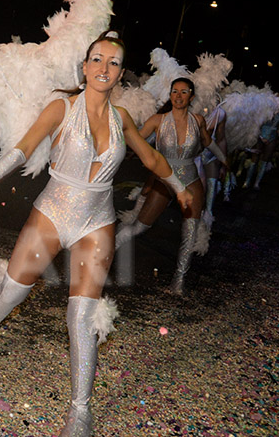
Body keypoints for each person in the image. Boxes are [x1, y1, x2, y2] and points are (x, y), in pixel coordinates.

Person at [0, 33, 193, 437]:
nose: (104, 68)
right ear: (84, 66)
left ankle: (81, 409)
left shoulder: (121, 119)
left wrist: (180, 186)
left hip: (97, 220)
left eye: (113, 63)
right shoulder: (62, 107)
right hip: (53, 211)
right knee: (12, 289)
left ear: (119, 73)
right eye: (97, 59)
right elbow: (24, 147)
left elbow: (151, 159)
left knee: (81, 315)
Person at [114, 78, 227, 294]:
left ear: (191, 96)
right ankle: (105, 253)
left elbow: (207, 142)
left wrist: (223, 158)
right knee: (140, 226)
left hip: (191, 181)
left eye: (184, 92)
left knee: (189, 233)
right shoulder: (158, 120)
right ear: (170, 95)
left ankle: (178, 282)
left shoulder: (198, 120)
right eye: (175, 91)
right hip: (164, 180)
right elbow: (133, 138)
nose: (178, 96)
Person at [201, 102, 228, 218]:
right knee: (200, 191)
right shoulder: (190, 109)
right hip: (193, 157)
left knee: (212, 184)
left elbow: (221, 139)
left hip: (210, 155)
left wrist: (223, 164)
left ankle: (207, 220)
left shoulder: (220, 113)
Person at [242, 109, 279, 190]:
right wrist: (261, 137)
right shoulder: (266, 108)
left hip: (272, 138)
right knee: (254, 158)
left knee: (265, 160)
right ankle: (247, 181)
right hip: (260, 136)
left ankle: (257, 183)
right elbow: (256, 124)